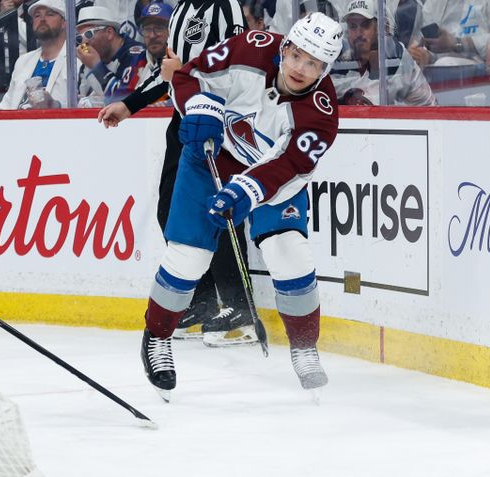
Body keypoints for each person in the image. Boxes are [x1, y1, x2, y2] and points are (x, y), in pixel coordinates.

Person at [135, 12, 344, 398]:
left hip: (273, 184)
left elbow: (289, 165)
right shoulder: (250, 48)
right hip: (209, 160)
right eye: (297, 55)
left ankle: (304, 348)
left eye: (314, 64)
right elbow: (186, 77)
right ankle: (157, 337)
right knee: (189, 257)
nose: (301, 68)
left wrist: (245, 191)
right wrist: (197, 107)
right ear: (285, 47)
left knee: (289, 252)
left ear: (326, 69)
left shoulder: (322, 113)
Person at [98, 0, 256, 348]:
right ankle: (198, 302)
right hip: (185, 116)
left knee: (218, 210)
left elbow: (238, 66)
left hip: (218, 119)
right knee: (170, 208)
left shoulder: (224, 7)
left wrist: (184, 73)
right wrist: (129, 105)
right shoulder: (183, 8)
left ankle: (239, 307)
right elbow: (169, 70)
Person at [331, 0, 436, 105]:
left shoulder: (399, 61)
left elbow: (428, 107)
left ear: (383, 28)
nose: (358, 33)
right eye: (353, 26)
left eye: (365, 25)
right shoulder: (338, 65)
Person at [0, 0, 69, 110]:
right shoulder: (23, 61)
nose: (42, 19)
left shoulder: (77, 60)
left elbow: (89, 104)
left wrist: (56, 106)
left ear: (65, 23)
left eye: (50, 14)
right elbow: (4, 107)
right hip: (18, 125)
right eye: (37, 15)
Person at [76, 6, 145, 106]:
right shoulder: (89, 60)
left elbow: (125, 100)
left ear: (109, 33)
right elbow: (80, 99)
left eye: (88, 34)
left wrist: (97, 67)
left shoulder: (137, 54)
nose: (84, 42)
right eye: (79, 38)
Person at [420, 0, 490, 66]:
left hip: (481, 66)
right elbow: (422, 39)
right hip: (438, 68)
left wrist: (457, 43)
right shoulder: (432, 3)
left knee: (446, 63)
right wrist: (425, 54)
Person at [127, 1, 174, 104]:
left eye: (159, 28)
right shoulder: (139, 62)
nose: (152, 35)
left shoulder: (184, 60)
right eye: (147, 29)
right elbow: (122, 96)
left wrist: (167, 103)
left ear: (172, 29)